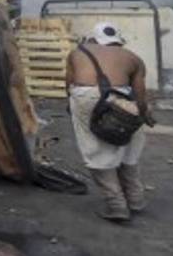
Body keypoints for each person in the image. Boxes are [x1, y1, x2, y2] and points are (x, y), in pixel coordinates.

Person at [65, 22, 154, 222]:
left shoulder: (78, 52)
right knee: (128, 145)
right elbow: (140, 95)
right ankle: (136, 200)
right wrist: (143, 115)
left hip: (86, 95)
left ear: (93, 39)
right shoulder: (134, 58)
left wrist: (72, 106)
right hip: (122, 97)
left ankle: (116, 205)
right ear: (118, 41)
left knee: (95, 148)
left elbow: (69, 82)